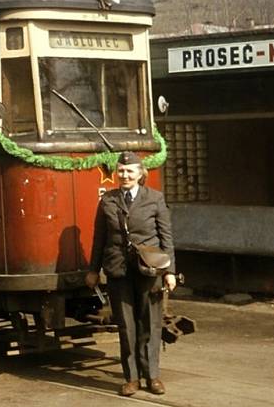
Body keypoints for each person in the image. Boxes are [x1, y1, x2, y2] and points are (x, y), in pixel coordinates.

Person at [85, 151, 176, 397]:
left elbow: (166, 238)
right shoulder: (108, 201)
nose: (124, 175)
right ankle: (131, 378)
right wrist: (93, 270)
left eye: (130, 171)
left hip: (149, 270)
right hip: (118, 270)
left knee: (150, 323)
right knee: (126, 326)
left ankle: (152, 376)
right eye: (121, 171)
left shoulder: (154, 199)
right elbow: (99, 239)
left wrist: (170, 272)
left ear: (140, 174)